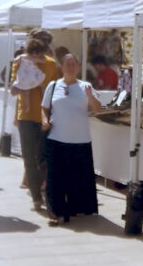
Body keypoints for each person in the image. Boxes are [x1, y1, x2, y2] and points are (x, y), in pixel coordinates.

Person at [42, 54, 102, 226]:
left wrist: (90, 97)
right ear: (61, 66)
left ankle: (78, 208)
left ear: (78, 67)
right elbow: (44, 108)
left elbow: (98, 110)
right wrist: (45, 120)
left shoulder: (86, 86)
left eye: (73, 64)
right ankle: (57, 212)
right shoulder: (53, 86)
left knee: (78, 177)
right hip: (56, 138)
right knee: (56, 178)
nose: (70, 67)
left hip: (80, 140)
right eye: (67, 64)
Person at [10, 36, 59, 210]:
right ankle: (36, 197)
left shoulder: (51, 64)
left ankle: (43, 189)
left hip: (45, 115)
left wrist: (37, 77)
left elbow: (50, 89)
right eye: (32, 52)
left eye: (39, 52)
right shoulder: (19, 62)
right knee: (29, 157)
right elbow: (16, 87)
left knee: (43, 157)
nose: (35, 55)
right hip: (26, 115)